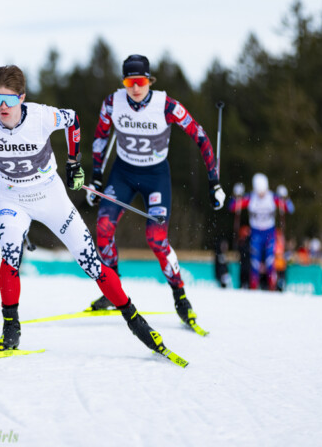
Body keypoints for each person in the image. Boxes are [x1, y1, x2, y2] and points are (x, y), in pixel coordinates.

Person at [0, 64, 171, 357]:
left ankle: (135, 320)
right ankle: (10, 327)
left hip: (50, 196)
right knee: (10, 254)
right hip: (12, 197)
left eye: (9, 100)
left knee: (90, 262)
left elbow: (73, 121)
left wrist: (73, 163)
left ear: (22, 98)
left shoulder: (41, 116)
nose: (2, 107)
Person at [84, 55, 224, 333]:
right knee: (102, 227)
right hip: (123, 173)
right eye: (129, 82)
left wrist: (214, 182)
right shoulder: (113, 102)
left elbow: (200, 136)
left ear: (149, 80)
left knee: (156, 238)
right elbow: (101, 137)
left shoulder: (167, 106)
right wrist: (97, 177)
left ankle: (180, 296)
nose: (135, 88)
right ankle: (113, 291)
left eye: (141, 81)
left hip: (155, 176)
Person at [228, 173, 294, 290]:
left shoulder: (272, 197)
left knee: (270, 261)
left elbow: (290, 208)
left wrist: (284, 197)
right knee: (255, 262)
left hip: (269, 233)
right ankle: (253, 286)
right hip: (256, 233)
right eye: (259, 192)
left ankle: (272, 286)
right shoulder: (251, 197)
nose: (261, 195)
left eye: (263, 191)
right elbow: (232, 207)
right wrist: (236, 195)